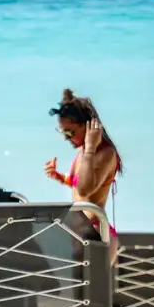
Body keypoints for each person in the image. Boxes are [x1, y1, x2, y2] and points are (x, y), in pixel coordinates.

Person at [45, 89, 122, 261]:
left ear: (88, 126)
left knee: (91, 287)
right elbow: (75, 183)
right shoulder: (83, 153)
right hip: (79, 232)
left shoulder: (105, 153)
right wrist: (59, 177)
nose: (66, 138)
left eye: (70, 132)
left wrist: (90, 149)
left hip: (94, 234)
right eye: (62, 132)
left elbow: (85, 189)